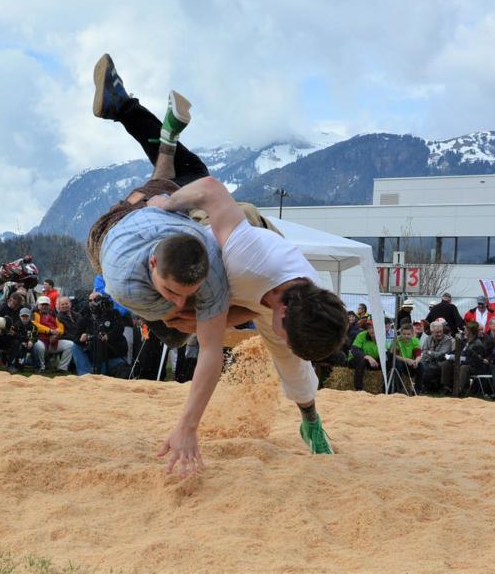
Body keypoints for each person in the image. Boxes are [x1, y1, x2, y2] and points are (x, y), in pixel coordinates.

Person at [92, 60, 344, 467]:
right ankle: (136, 118)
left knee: (291, 367)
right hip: (209, 240)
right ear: (283, 309)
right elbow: (210, 192)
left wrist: (217, 320)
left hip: (240, 280)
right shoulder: (243, 253)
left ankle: (311, 421)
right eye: (278, 324)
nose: (270, 332)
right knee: (183, 181)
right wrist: (165, 205)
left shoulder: (307, 299)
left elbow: (250, 313)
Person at [73, 292, 128, 376]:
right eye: (90, 300)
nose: (92, 302)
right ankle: (85, 375)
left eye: (96, 300)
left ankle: (100, 375)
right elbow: (76, 337)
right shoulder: (85, 317)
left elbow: (119, 329)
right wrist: (82, 338)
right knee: (75, 346)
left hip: (112, 356)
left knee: (120, 368)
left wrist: (108, 336)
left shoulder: (113, 313)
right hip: (93, 355)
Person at [32, 295, 73, 373]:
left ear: (49, 305)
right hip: (40, 339)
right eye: (42, 305)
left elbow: (61, 328)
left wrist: (56, 333)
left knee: (70, 344)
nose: (44, 307)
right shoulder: (34, 314)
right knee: (38, 345)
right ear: (38, 305)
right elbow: (35, 325)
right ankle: (42, 367)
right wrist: (50, 331)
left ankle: (62, 368)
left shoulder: (54, 315)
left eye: (46, 305)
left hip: (53, 341)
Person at [418, 321, 454, 394]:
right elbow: (424, 352)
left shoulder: (447, 340)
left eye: (441, 331)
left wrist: (430, 353)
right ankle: (421, 388)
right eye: (437, 332)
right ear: (432, 332)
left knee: (427, 368)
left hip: (441, 363)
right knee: (420, 366)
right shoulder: (428, 339)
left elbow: (442, 354)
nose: (440, 334)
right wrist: (429, 354)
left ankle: (425, 388)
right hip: (428, 362)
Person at [456, 321, 489, 397]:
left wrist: (461, 361)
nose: (464, 332)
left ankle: (460, 389)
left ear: (470, 332)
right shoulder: (466, 342)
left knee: (464, 368)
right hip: (467, 364)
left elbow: (475, 362)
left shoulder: (477, 344)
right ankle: (448, 387)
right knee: (450, 364)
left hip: (476, 368)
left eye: (465, 330)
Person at [348, 318, 382, 392]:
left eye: (373, 328)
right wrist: (368, 357)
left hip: (374, 361)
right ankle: (358, 389)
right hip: (356, 360)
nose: (371, 330)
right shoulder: (361, 335)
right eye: (369, 328)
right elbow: (354, 350)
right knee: (362, 360)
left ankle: (388, 388)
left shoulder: (382, 336)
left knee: (388, 358)